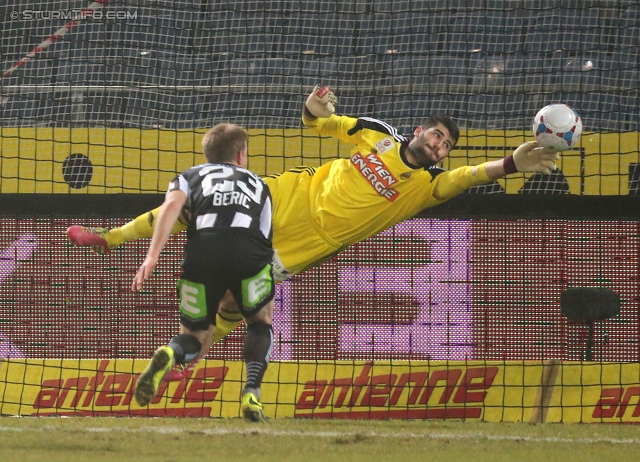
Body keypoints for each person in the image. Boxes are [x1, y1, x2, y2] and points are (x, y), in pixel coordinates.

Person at [69, 85, 558, 375]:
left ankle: (191, 349)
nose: (441, 146)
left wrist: (513, 161)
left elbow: (474, 175)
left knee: (235, 303)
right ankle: (110, 239)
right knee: (202, 200)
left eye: (447, 144)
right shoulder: (377, 134)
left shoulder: (429, 186)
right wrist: (313, 106)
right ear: (417, 131)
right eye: (436, 135)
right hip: (291, 194)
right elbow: (318, 122)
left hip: (310, 243)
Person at [131, 122, 274, 423]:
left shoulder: (189, 176)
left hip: (202, 254)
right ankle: (251, 392)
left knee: (194, 338)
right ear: (240, 155)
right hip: (249, 253)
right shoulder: (259, 184)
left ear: (208, 154)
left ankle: (170, 354)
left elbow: (170, 207)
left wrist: (152, 256)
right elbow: (264, 237)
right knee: (260, 322)